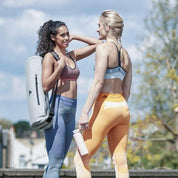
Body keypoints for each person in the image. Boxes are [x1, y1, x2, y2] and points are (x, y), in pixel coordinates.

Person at [36, 20, 101, 178]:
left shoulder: (71, 56)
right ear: (53, 37)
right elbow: (45, 86)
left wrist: (76, 36)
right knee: (55, 163)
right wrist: (59, 68)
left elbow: (100, 44)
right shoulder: (50, 58)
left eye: (67, 34)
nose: (66, 38)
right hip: (58, 108)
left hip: (72, 111)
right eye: (62, 35)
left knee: (58, 162)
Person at [74, 10, 132, 178]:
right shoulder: (126, 55)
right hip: (122, 107)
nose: (97, 29)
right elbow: (126, 90)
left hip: (105, 105)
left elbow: (98, 83)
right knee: (120, 160)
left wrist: (85, 112)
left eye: (99, 26)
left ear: (107, 27)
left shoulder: (103, 50)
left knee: (81, 158)